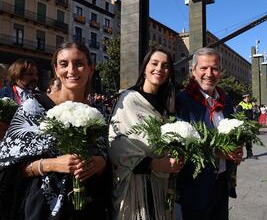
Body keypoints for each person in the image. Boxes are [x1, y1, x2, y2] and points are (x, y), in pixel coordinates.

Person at [0, 42, 108, 219]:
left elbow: (107, 155)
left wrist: (101, 163)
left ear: (91, 68)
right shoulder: (34, 108)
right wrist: (52, 164)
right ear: (56, 70)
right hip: (43, 209)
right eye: (64, 64)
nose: (71, 70)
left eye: (79, 63)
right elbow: (9, 166)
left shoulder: (98, 112)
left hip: (90, 207)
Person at [108, 47, 183, 220]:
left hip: (161, 184)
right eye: (154, 63)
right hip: (135, 184)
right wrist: (152, 164)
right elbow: (117, 143)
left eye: (165, 66)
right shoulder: (128, 99)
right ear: (144, 68)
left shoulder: (166, 105)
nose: (159, 69)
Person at [176, 47, 243, 220]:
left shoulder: (224, 100)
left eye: (214, 68)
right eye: (204, 68)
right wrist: (217, 152)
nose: (209, 73)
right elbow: (179, 146)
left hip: (221, 181)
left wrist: (236, 150)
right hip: (195, 185)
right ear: (193, 71)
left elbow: (233, 132)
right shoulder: (182, 101)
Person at [236, 94, 257, 159]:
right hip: (243, 124)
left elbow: (252, 114)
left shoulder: (250, 104)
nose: (248, 99)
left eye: (248, 98)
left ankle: (249, 154)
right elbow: (238, 115)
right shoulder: (240, 105)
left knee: (249, 140)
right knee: (240, 141)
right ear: (244, 98)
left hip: (249, 124)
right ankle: (238, 156)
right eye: (247, 98)